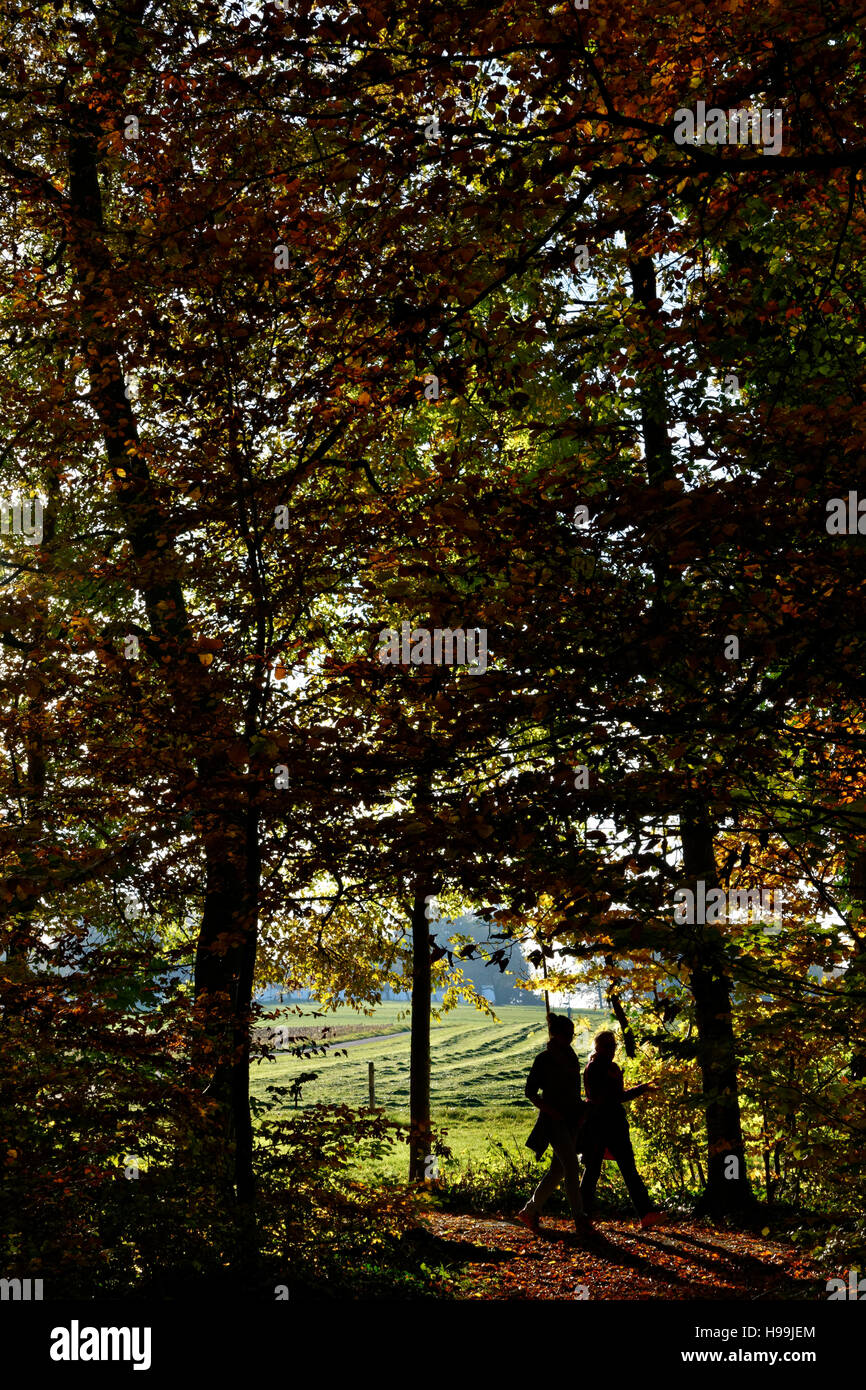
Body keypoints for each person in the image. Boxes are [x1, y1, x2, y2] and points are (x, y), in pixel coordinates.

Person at [516, 1014, 594, 1239]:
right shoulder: (543, 1060)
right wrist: (550, 1111)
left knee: (558, 1170)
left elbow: (573, 1090)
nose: (571, 1037)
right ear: (557, 1034)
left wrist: (580, 1113)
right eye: (568, 1033)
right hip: (553, 1122)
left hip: (571, 1120)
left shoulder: (571, 1057)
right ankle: (580, 1218)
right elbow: (530, 1093)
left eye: (572, 1033)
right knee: (571, 1167)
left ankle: (529, 1211)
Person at [579, 1029, 663, 1229]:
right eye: (608, 1045)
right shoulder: (593, 1069)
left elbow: (619, 1096)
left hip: (615, 1124)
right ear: (597, 1047)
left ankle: (646, 1214)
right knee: (592, 1171)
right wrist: (614, 1081)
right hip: (599, 1125)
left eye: (614, 1045)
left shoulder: (613, 1068)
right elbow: (601, 1097)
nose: (612, 1049)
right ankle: (581, 1216)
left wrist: (642, 1087)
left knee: (628, 1169)